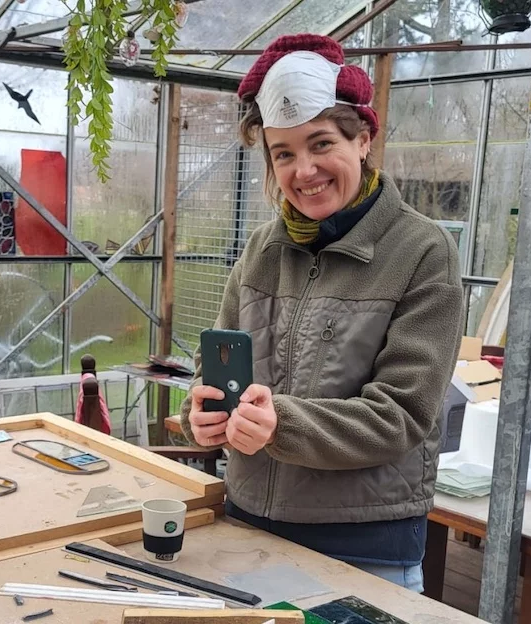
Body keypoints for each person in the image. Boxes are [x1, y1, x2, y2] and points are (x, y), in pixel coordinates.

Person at [179, 33, 464, 593]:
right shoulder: (262, 250)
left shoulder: (422, 252)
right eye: (283, 153)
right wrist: (204, 412)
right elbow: (213, 366)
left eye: (321, 143)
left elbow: (402, 415)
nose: (304, 170)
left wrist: (279, 424)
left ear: (363, 139)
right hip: (249, 527)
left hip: (363, 549)